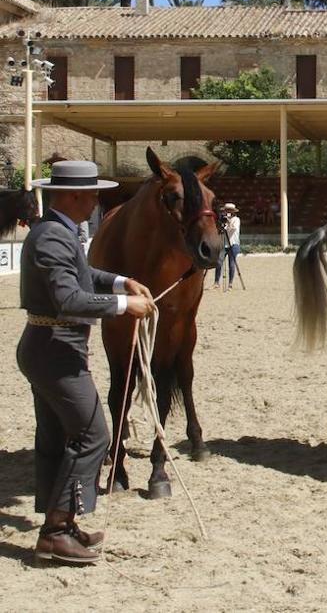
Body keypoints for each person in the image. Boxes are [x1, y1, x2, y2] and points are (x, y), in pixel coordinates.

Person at [16, 160, 155, 565]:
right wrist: (125, 304)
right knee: (94, 435)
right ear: (75, 196)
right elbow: (68, 299)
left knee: (58, 436)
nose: (96, 199)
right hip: (55, 350)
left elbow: (82, 274)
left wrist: (119, 281)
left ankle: (62, 523)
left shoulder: (56, 232)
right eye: (92, 193)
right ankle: (56, 531)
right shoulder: (53, 238)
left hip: (49, 348)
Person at [213, 202, 242, 291]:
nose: (227, 212)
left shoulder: (236, 220)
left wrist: (228, 221)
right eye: (226, 211)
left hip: (233, 244)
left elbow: (233, 229)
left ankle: (230, 284)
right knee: (219, 262)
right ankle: (216, 283)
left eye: (229, 211)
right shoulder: (223, 221)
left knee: (231, 264)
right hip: (224, 244)